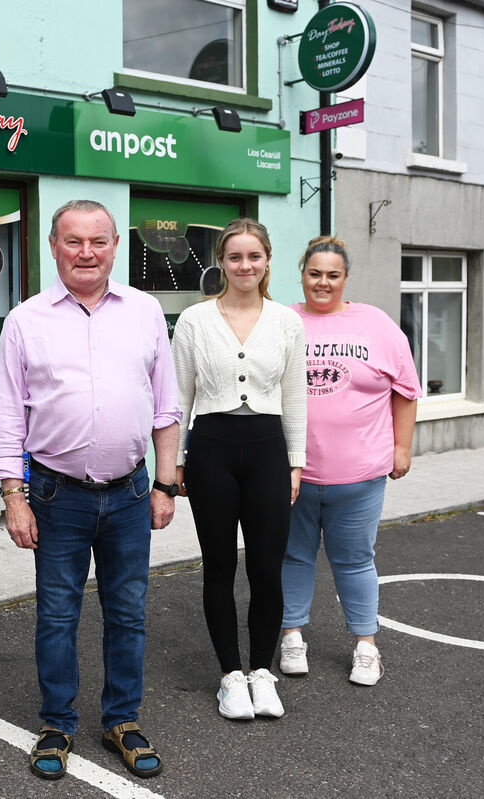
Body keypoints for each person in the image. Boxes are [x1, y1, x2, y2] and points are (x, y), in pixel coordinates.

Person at [0, 199, 181, 781]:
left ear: (115, 245)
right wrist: (14, 497)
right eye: (73, 241)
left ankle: (121, 718)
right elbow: (6, 417)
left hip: (129, 493)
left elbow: (166, 408)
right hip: (55, 496)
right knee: (56, 616)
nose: (86, 252)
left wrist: (167, 483)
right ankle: (57, 723)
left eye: (97, 241)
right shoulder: (25, 320)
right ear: (53, 247)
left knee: (128, 613)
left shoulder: (146, 311)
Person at [170, 217, 307, 721]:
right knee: (219, 566)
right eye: (234, 257)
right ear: (221, 262)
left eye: (254, 256)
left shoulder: (287, 322)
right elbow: (178, 397)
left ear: (267, 260)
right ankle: (231, 674)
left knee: (268, 568)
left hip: (268, 449)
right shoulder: (194, 321)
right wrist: (176, 461)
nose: (244, 265)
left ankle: (262, 673)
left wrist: (296, 462)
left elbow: (295, 397)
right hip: (211, 449)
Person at [279, 236, 422, 685]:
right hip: (293, 474)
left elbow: (406, 391)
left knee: (356, 560)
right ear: (302, 273)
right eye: (314, 273)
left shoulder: (375, 325)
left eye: (332, 275)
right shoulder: (283, 321)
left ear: (345, 278)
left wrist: (402, 448)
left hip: (358, 475)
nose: (323, 282)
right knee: (293, 557)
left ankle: (366, 645)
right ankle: (292, 637)